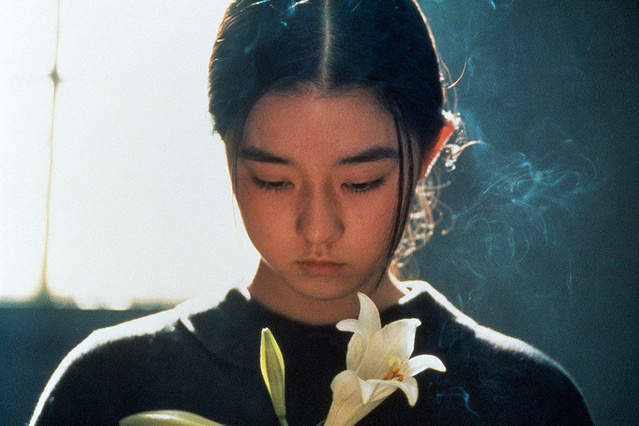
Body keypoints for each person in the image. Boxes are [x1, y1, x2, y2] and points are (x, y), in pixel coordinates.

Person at [31, 0, 593, 424]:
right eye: (274, 181)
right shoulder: (108, 387)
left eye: (361, 183)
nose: (318, 228)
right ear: (227, 151)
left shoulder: (527, 400)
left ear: (428, 154)